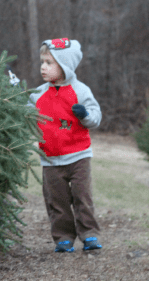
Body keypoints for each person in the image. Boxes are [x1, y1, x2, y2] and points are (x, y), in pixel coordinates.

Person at [28, 38, 103, 253]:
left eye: (49, 63)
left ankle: (89, 234)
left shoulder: (80, 91)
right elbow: (23, 109)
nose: (43, 67)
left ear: (65, 66)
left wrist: (85, 115)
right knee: (56, 201)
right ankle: (63, 237)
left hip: (79, 155)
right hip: (50, 158)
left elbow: (96, 117)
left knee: (82, 197)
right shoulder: (38, 93)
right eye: (42, 62)